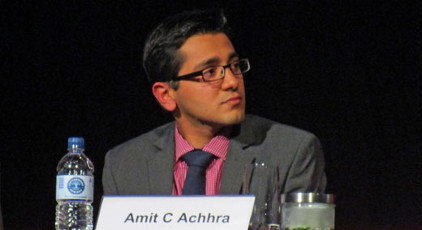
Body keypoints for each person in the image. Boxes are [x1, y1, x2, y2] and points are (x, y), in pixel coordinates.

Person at [102, 9, 326, 198]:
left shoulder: (292, 152)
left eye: (235, 66)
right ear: (166, 95)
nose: (232, 82)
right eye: (210, 72)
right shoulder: (124, 165)